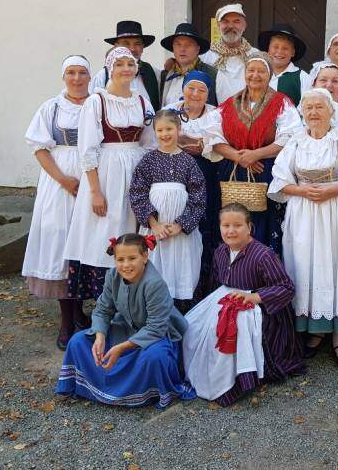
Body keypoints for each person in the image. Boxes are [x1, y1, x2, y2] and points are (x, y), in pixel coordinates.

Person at [268, 89, 338, 372]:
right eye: (309, 107)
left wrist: (331, 191)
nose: (313, 112)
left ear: (331, 111)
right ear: (302, 112)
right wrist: (302, 190)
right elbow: (279, 182)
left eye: (319, 107)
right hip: (304, 214)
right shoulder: (296, 142)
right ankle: (315, 332)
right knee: (308, 268)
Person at [182, 203, 305, 406]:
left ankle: (234, 380)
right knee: (193, 323)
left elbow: (287, 288)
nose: (231, 231)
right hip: (226, 297)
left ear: (249, 227)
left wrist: (256, 297)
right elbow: (215, 282)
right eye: (226, 225)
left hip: (260, 308)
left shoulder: (263, 255)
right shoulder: (220, 251)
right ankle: (200, 373)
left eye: (237, 225)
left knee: (230, 327)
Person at [62, 47, 156, 308]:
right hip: (107, 174)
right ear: (110, 69)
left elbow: (149, 143)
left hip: (136, 170)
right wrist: (94, 191)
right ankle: (105, 305)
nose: (126, 69)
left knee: (131, 229)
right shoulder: (97, 101)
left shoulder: (142, 102)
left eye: (130, 63)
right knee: (105, 230)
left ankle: (131, 304)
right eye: (120, 64)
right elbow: (87, 149)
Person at [56, 233, 195, 408]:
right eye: (120, 259)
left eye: (132, 258)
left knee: (155, 357)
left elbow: (155, 327)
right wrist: (100, 336)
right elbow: (103, 309)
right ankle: (90, 388)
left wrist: (121, 348)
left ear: (144, 256)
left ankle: (141, 393)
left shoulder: (154, 284)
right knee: (77, 341)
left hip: (155, 336)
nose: (126, 265)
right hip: (125, 329)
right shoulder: (112, 276)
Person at [22, 55, 91, 349]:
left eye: (82, 73)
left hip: (92, 178)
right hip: (58, 182)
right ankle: (66, 322)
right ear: (64, 77)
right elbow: (39, 149)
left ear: (90, 76)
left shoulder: (97, 103)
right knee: (61, 243)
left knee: (85, 245)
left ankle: (80, 312)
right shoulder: (51, 108)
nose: (76, 79)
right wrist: (64, 180)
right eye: (71, 73)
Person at [206, 53, 302, 252]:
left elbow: (290, 138)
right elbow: (213, 138)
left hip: (265, 171)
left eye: (261, 71)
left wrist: (256, 155)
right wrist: (240, 158)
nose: (255, 75)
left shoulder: (281, 103)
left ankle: (262, 273)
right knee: (233, 222)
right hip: (233, 171)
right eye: (251, 70)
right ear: (245, 73)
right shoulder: (229, 104)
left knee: (262, 225)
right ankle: (232, 272)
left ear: (269, 75)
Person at [129, 110, 206, 314]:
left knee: (181, 268)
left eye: (169, 129)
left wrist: (181, 225)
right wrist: (154, 225)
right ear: (154, 132)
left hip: (181, 233)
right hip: (155, 231)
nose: (165, 134)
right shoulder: (148, 161)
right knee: (156, 268)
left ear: (179, 129)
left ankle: (180, 317)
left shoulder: (189, 162)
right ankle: (153, 315)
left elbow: (198, 197)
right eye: (160, 130)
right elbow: (137, 193)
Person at [164, 71, 223, 299]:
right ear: (183, 89)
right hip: (171, 174)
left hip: (205, 175)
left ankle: (200, 288)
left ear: (208, 93)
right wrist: (197, 143)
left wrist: (183, 140)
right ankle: (172, 285)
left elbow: (213, 146)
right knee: (175, 220)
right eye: (191, 88)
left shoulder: (215, 115)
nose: (195, 94)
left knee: (202, 226)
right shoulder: (170, 111)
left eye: (201, 90)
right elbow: (162, 139)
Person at [89, 20, 161, 109]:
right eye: (126, 43)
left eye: (137, 44)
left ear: (143, 47)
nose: (132, 49)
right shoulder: (103, 76)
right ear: (116, 46)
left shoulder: (154, 73)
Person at [200, 3, 259, 103]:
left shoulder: (255, 55)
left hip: (248, 114)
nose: (231, 26)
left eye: (236, 22)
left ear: (244, 26)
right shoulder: (206, 55)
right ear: (218, 26)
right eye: (225, 21)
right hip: (214, 115)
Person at [158, 22, 218, 108]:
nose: (182, 49)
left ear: (198, 49)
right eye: (178, 44)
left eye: (188, 45)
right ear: (173, 48)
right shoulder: (165, 75)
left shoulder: (212, 75)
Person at [257, 23, 312, 105]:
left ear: (293, 52)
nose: (279, 52)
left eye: (285, 48)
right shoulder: (257, 74)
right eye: (275, 47)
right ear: (268, 48)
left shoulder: (303, 78)